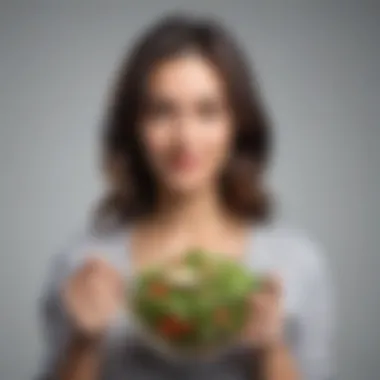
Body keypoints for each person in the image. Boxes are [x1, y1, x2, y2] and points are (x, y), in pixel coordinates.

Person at [36, 14, 334, 380]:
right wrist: (84, 342)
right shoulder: (85, 266)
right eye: (162, 112)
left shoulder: (294, 263)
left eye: (207, 112)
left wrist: (271, 349)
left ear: (235, 125)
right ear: (135, 126)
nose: (185, 140)